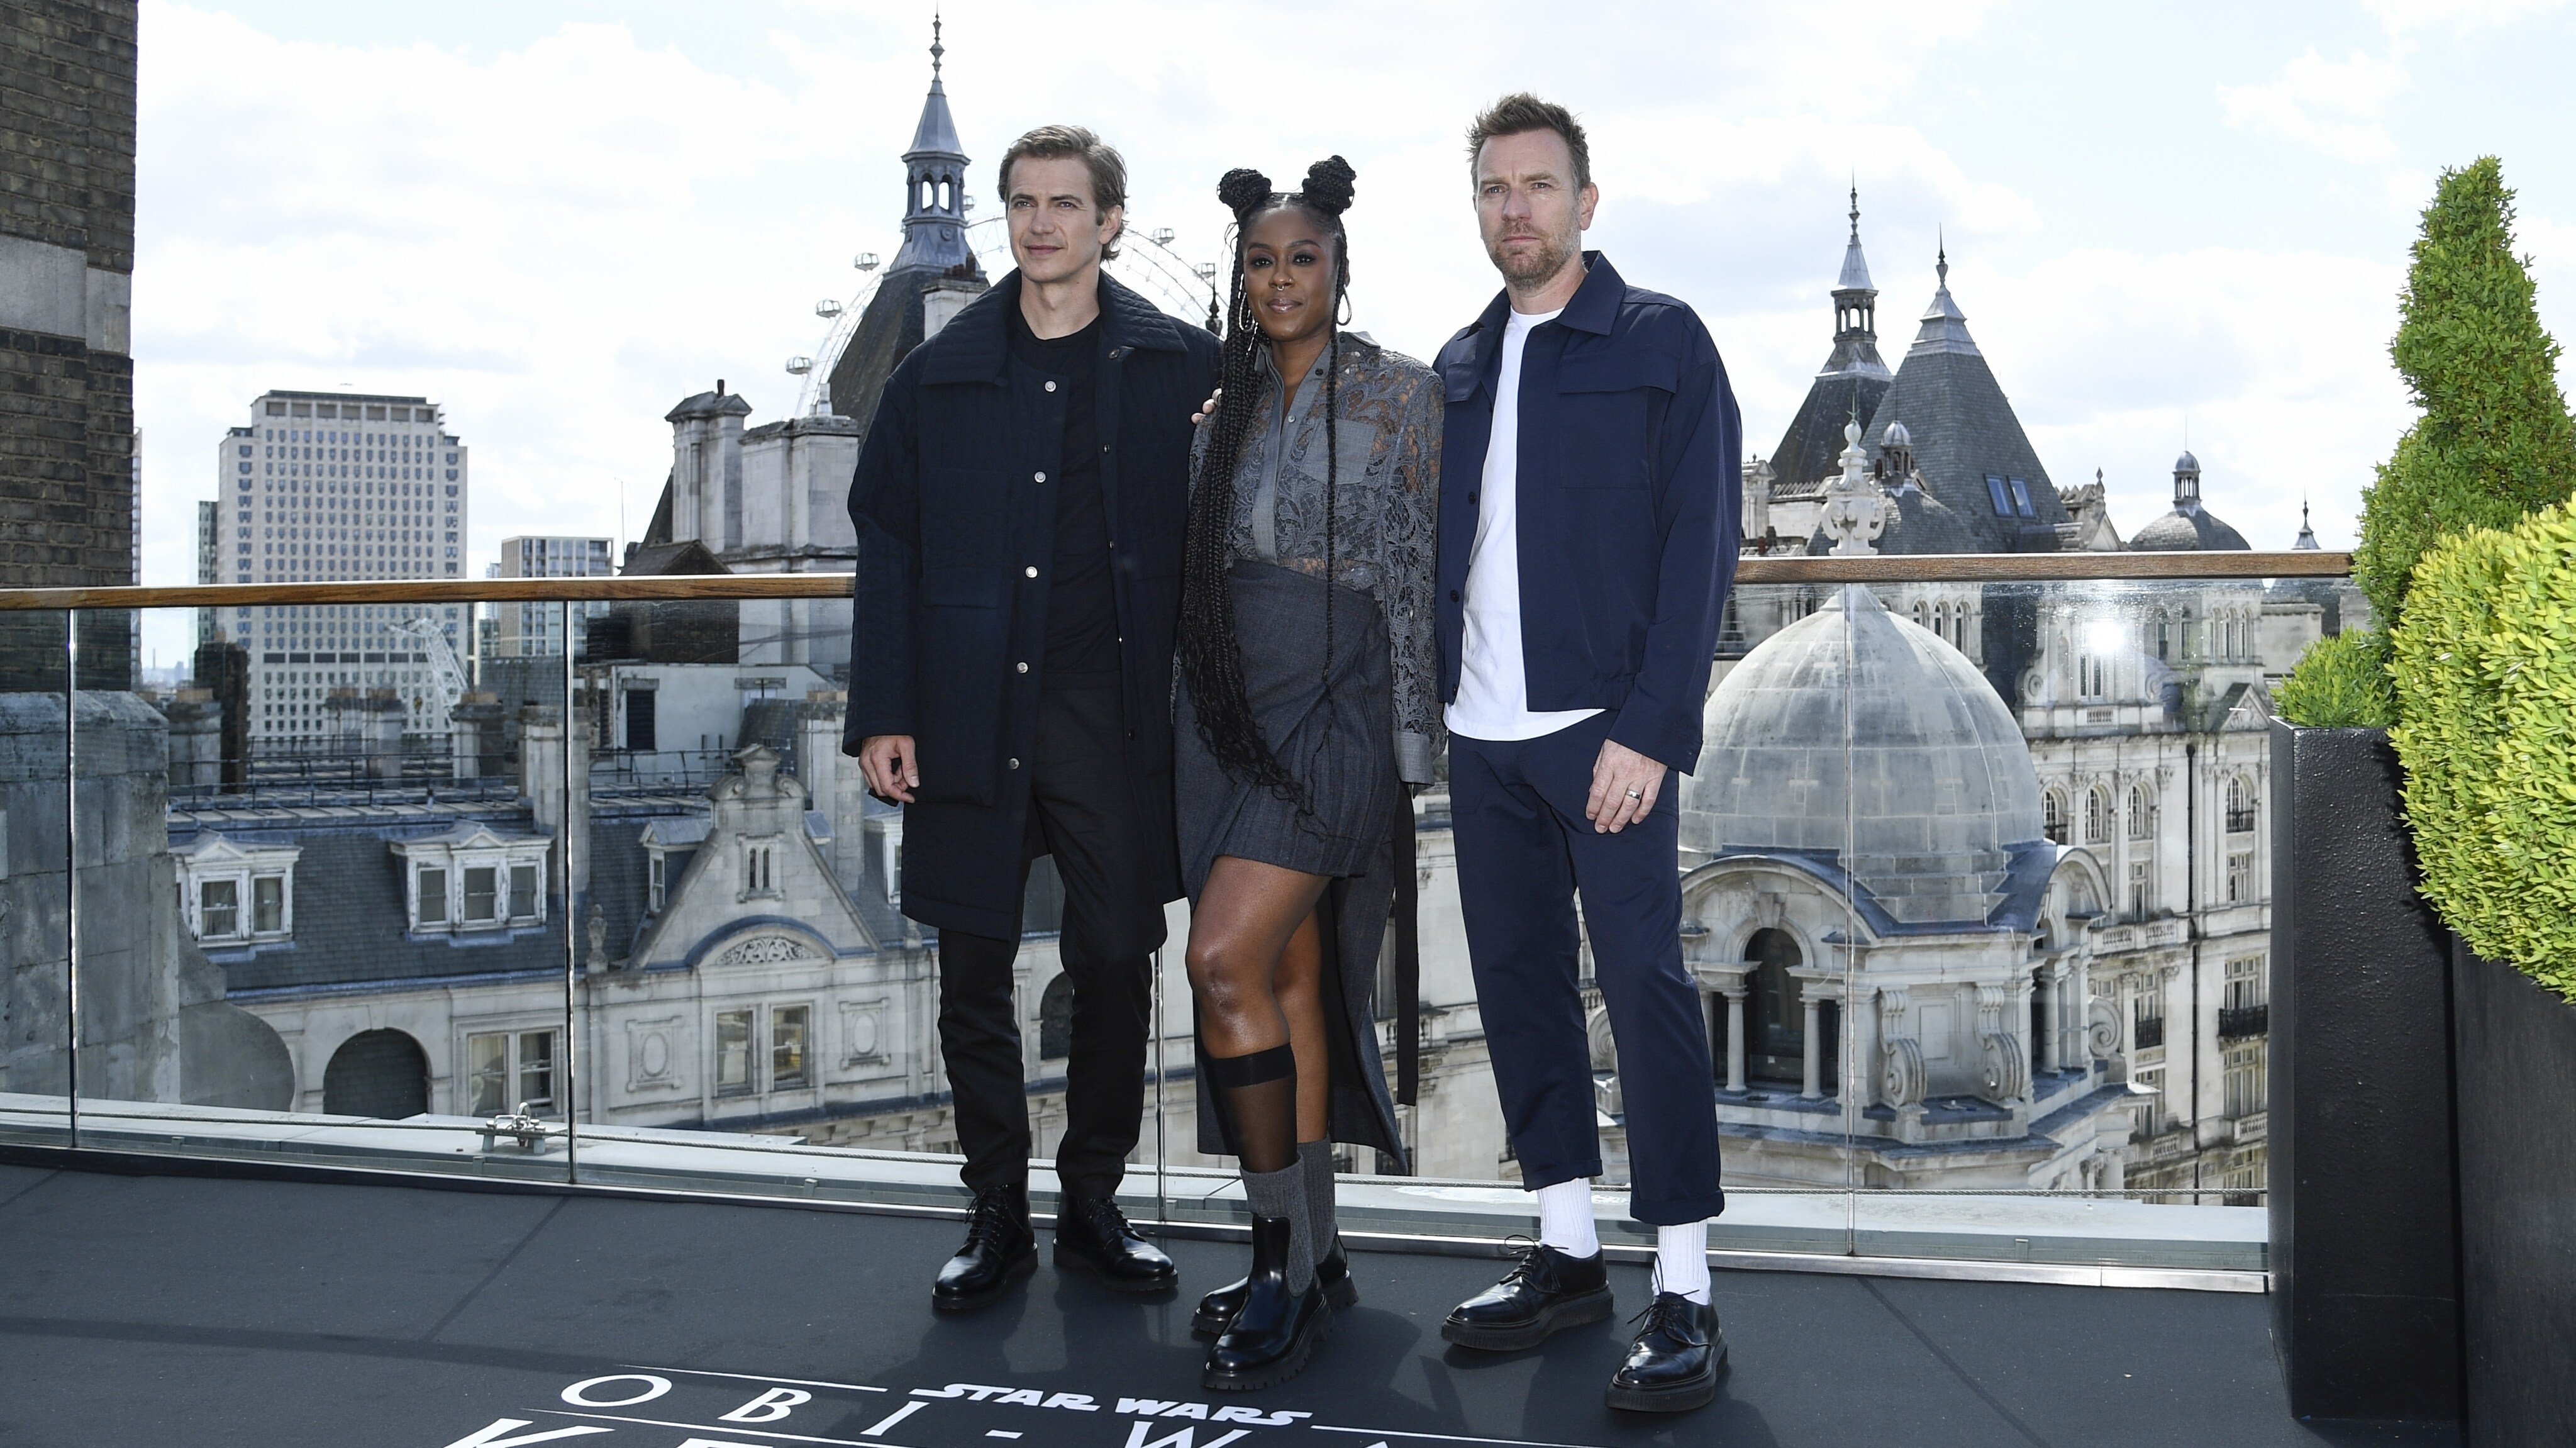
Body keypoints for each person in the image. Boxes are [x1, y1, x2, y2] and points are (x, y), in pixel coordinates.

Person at [845, 125, 1219, 1312]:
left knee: (1119, 954)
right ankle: (995, 1209)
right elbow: (888, 545)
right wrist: (882, 710)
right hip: (962, 710)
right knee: (974, 966)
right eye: (1023, 203)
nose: (1041, 223)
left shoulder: (1187, 370)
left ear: (1112, 220)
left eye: (1066, 203)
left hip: (1112, 719)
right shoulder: (935, 375)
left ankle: (1094, 1199)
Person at [1431, 94, 1742, 1413]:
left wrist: (1651, 729)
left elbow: (1702, 541)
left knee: (1644, 986)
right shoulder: (1452, 361)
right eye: (1495, 187)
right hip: (1478, 735)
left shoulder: (1663, 340)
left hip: (1599, 737)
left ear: (1585, 201)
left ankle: (1684, 1285)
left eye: (1538, 185)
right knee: (1516, 990)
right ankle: (1564, 1248)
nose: (1517, 208)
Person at [1174, 157, 1441, 1392]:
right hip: (1224, 714)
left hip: (1332, 720)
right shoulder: (1215, 409)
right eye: (1261, 261)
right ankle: (1316, 1253)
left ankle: (1275, 1251)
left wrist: (1408, 754)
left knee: (1218, 958)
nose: (1281, 278)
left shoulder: (1401, 397)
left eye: (1303, 258)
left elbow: (1413, 571)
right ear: (1242, 276)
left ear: (1340, 266)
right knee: (1281, 974)